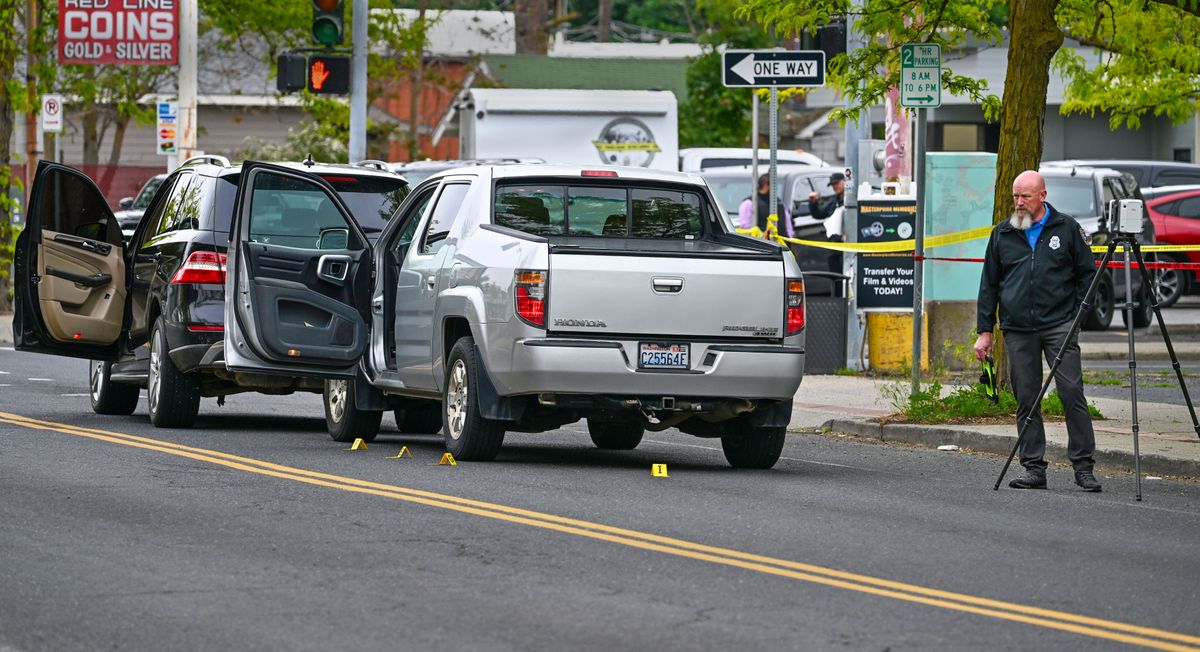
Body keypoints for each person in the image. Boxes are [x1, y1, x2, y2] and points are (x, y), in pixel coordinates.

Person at [974, 170, 1102, 492]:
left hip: (1059, 325)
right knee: (1026, 398)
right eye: (1015, 196)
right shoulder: (1003, 233)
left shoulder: (1067, 228)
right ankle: (1034, 467)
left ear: (1042, 196)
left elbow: (1088, 277)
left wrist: (1077, 318)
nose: (1018, 202)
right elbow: (989, 284)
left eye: (1025, 197)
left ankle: (1084, 467)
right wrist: (984, 331)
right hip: (1018, 329)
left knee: (1072, 393)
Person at [739, 174, 793, 239]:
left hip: (783, 244)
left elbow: (787, 223)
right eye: (774, 186)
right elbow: (746, 228)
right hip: (763, 246)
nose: (776, 189)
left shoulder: (778, 202)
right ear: (766, 185)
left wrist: (789, 237)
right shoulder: (749, 203)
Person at [808, 171, 846, 240]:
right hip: (838, 244)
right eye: (833, 185)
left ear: (845, 182)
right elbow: (819, 214)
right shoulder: (833, 201)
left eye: (837, 183)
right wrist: (813, 202)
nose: (835, 187)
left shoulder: (853, 201)